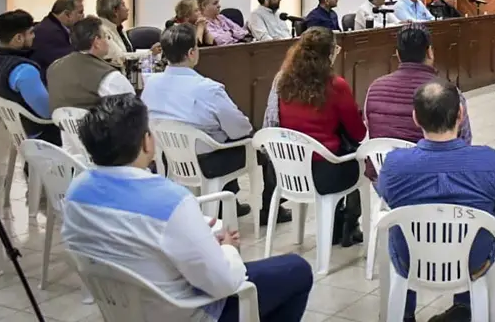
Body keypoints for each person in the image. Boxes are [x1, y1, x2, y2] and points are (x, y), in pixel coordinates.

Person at [62, 95, 313, 322]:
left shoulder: (76, 192)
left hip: (123, 308)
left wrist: (200, 240)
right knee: (296, 270)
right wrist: (227, 249)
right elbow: (224, 283)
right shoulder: (170, 201)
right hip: (185, 312)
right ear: (146, 142)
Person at [378, 80, 495, 322]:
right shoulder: (489, 161)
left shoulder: (395, 164)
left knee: (399, 229)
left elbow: (386, 197)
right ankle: (465, 309)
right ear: (461, 114)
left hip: (410, 259)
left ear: (415, 118)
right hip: (472, 261)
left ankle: (404, 314)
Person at [142, 24, 290, 223]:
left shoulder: (151, 83)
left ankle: (226, 203)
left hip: (169, 158)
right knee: (260, 147)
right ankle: (269, 210)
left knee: (226, 141)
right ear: (192, 53)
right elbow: (240, 129)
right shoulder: (208, 89)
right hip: (208, 162)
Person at [262, 27, 365, 246]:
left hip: (285, 170)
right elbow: (359, 133)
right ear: (329, 54)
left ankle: (339, 224)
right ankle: (348, 222)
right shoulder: (336, 85)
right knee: (360, 160)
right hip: (323, 174)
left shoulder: (281, 81)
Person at [364, 24, 472, 157]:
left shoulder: (374, 88)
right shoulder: (448, 92)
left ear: (398, 54)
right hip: (433, 173)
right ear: (430, 52)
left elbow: (371, 129)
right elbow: (464, 141)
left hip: (383, 171)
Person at [0, 10, 60, 144]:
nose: (34, 36)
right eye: (31, 32)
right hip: (39, 133)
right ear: (18, 38)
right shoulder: (24, 71)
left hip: (14, 127)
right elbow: (48, 113)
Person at [47, 16, 135, 111]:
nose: (108, 41)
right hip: (100, 124)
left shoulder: (53, 67)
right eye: (106, 36)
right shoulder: (109, 77)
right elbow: (134, 111)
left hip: (64, 124)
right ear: (97, 42)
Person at [95, 0, 160, 66]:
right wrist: (149, 53)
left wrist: (150, 53)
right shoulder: (102, 31)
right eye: (123, 5)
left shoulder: (118, 28)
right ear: (115, 11)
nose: (127, 9)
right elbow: (120, 57)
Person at [31, 0, 84, 73]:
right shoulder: (49, 32)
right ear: (67, 14)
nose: (83, 16)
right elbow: (69, 62)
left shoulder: (52, 26)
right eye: (80, 12)